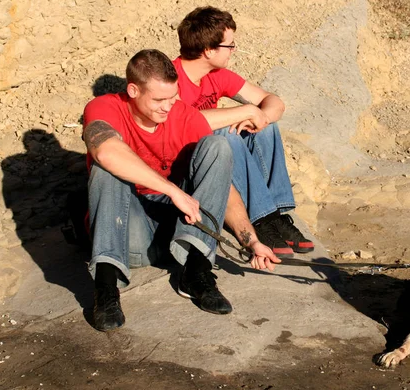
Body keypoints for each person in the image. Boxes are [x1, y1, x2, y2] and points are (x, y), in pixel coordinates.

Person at [82, 49, 280, 332]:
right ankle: (105, 289)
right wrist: (173, 191)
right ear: (133, 90)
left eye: (173, 97)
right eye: (159, 99)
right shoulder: (103, 107)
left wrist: (251, 241)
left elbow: (221, 183)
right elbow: (106, 152)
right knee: (106, 167)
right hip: (129, 233)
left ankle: (197, 272)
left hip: (178, 235)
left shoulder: (182, 115)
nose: (168, 106)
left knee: (218, 147)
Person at [172, 6, 314, 259]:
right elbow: (187, 121)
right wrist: (245, 111)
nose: (234, 50)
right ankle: (261, 219)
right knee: (227, 134)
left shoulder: (217, 75)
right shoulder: (171, 78)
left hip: (216, 156)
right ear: (208, 50)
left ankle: (276, 214)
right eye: (230, 45)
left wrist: (261, 117)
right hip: (189, 170)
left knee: (265, 128)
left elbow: (274, 101)